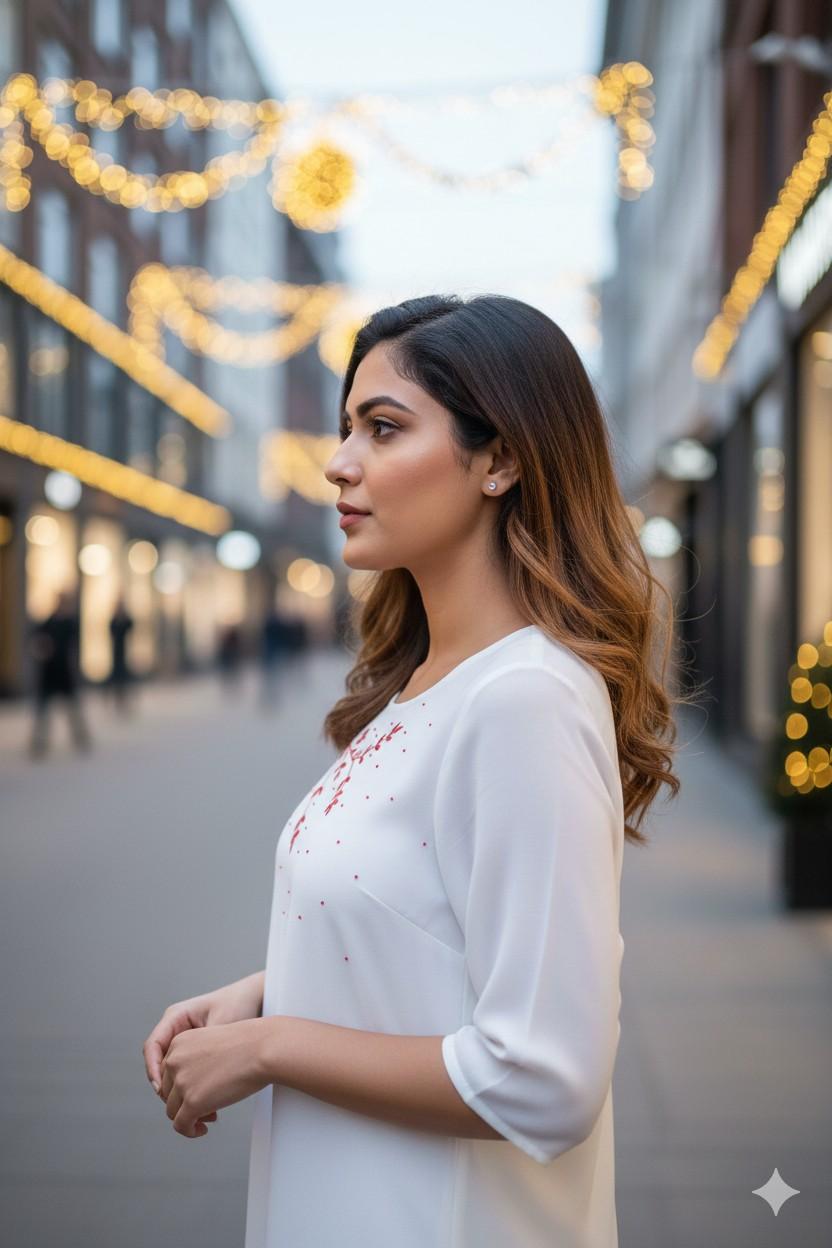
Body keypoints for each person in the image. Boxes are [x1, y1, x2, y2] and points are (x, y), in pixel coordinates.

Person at [143, 294, 700, 1247]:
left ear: (502, 459)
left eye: (384, 428)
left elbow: (544, 1075)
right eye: (347, 426)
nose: (339, 461)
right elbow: (430, 932)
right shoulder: (423, 685)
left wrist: (275, 1046)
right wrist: (270, 993)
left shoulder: (522, 699)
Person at [28, 587, 92, 758]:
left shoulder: (70, 624)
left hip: (64, 673)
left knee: (73, 708)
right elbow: (36, 641)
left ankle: (80, 737)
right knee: (43, 710)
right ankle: (39, 742)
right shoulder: (48, 623)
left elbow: (74, 648)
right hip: (49, 673)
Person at [107, 596, 135, 715]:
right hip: (115, 654)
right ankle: (116, 700)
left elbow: (130, 626)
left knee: (124, 678)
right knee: (116, 678)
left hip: (124, 654)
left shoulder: (124, 620)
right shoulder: (114, 620)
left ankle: (124, 701)